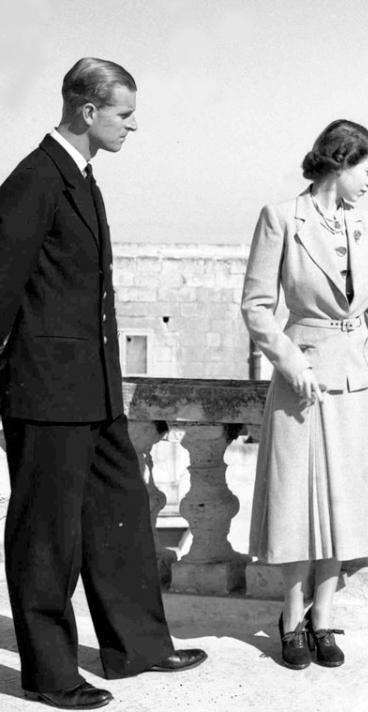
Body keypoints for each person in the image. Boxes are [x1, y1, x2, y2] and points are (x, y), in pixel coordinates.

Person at [0, 58, 206, 710]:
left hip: (93, 391)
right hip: (45, 394)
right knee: (46, 536)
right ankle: (49, 672)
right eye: (124, 112)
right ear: (88, 111)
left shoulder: (80, 179)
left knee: (121, 518)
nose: (133, 125)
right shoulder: (35, 181)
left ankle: (137, 646)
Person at [242, 119, 368, 670]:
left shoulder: (366, 224)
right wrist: (289, 361)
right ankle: (291, 614)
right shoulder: (280, 218)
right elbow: (257, 306)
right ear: (339, 162)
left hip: (358, 383)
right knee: (299, 505)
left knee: (344, 508)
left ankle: (323, 617)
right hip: (303, 382)